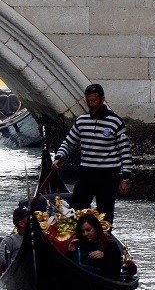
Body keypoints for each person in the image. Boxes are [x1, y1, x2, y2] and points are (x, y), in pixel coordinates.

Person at [52, 84, 133, 224]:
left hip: (108, 175)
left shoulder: (115, 122)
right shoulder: (82, 121)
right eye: (88, 101)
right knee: (78, 210)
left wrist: (126, 178)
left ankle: (103, 239)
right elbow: (68, 142)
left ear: (102, 99)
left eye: (94, 100)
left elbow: (125, 151)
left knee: (105, 213)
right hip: (86, 173)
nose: (91, 104)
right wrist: (59, 157)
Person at [68, 213, 122, 280]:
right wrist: (71, 252)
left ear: (96, 228)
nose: (85, 234)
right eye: (82, 231)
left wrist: (105, 255)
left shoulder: (110, 244)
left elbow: (115, 271)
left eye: (89, 230)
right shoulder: (78, 243)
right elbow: (70, 269)